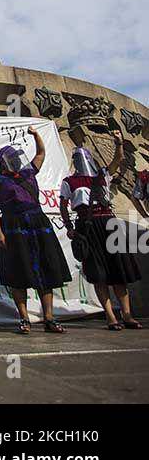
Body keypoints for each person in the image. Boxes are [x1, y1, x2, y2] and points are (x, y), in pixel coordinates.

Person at [0, 126, 71, 334]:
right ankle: (24, 318)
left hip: (37, 223)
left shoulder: (28, 173)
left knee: (46, 269)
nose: (14, 160)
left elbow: (41, 153)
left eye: (15, 157)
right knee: (19, 271)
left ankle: (49, 317)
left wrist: (36, 135)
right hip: (13, 225)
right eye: (10, 158)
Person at [60, 133, 142, 330]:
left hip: (108, 222)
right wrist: (69, 227)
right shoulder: (69, 182)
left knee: (118, 271)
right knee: (98, 273)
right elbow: (63, 205)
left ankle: (127, 314)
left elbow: (118, 160)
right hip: (87, 226)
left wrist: (119, 142)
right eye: (77, 159)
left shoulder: (101, 175)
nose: (81, 161)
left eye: (83, 158)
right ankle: (111, 316)